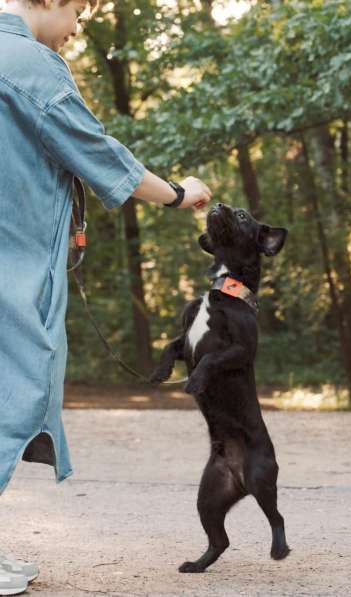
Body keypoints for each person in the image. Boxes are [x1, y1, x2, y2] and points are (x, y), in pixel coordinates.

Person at [0, 0, 212, 593]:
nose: (73, 31)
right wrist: (177, 192)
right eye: (75, 14)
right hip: (10, 268)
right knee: (13, 392)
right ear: (49, 0)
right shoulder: (27, 62)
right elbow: (97, 153)